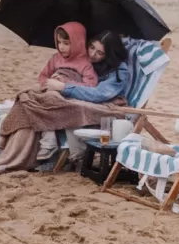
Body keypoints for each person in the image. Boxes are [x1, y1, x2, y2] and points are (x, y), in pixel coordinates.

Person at [0, 22, 114, 174]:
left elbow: (90, 85)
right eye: (59, 42)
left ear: (78, 43)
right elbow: (43, 76)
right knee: (25, 97)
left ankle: (49, 140)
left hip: (64, 94)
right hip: (49, 89)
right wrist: (48, 83)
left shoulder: (85, 63)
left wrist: (65, 83)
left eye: (66, 43)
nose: (61, 47)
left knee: (51, 100)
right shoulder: (56, 58)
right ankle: (15, 138)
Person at [55, 31, 132, 167]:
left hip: (106, 110)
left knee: (72, 109)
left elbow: (99, 94)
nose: (92, 54)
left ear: (109, 55)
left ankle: (78, 158)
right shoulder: (83, 61)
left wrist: (64, 87)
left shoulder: (119, 71)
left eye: (100, 53)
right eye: (91, 47)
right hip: (85, 102)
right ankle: (46, 152)